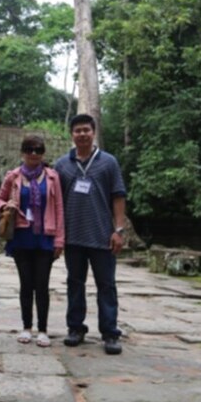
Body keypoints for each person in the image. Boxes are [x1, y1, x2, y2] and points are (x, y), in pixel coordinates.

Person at [54, 114, 127, 355]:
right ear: (72, 134)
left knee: (106, 285)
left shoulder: (108, 162)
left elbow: (118, 196)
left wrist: (118, 230)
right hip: (73, 237)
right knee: (75, 283)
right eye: (78, 131)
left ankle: (110, 332)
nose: (82, 134)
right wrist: (57, 235)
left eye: (86, 130)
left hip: (102, 236)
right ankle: (75, 328)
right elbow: (56, 202)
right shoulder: (62, 165)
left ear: (93, 132)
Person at [0, 135, 65, 347]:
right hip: (21, 236)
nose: (33, 154)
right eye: (29, 149)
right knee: (26, 284)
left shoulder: (52, 177)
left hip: (45, 237)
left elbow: (59, 208)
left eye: (37, 150)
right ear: (22, 152)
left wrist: (60, 240)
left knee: (42, 285)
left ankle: (43, 329)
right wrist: (5, 206)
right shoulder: (13, 176)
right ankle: (26, 327)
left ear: (43, 153)